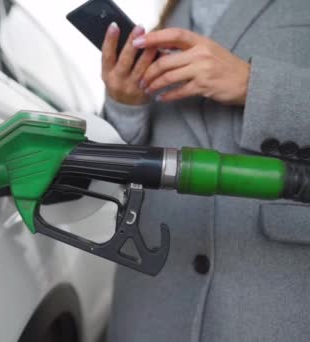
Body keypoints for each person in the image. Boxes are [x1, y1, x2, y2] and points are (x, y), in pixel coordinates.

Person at [101, 0, 310, 341]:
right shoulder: (175, 12)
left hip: (270, 299)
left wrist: (252, 84)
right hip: (151, 296)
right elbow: (121, 170)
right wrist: (125, 106)